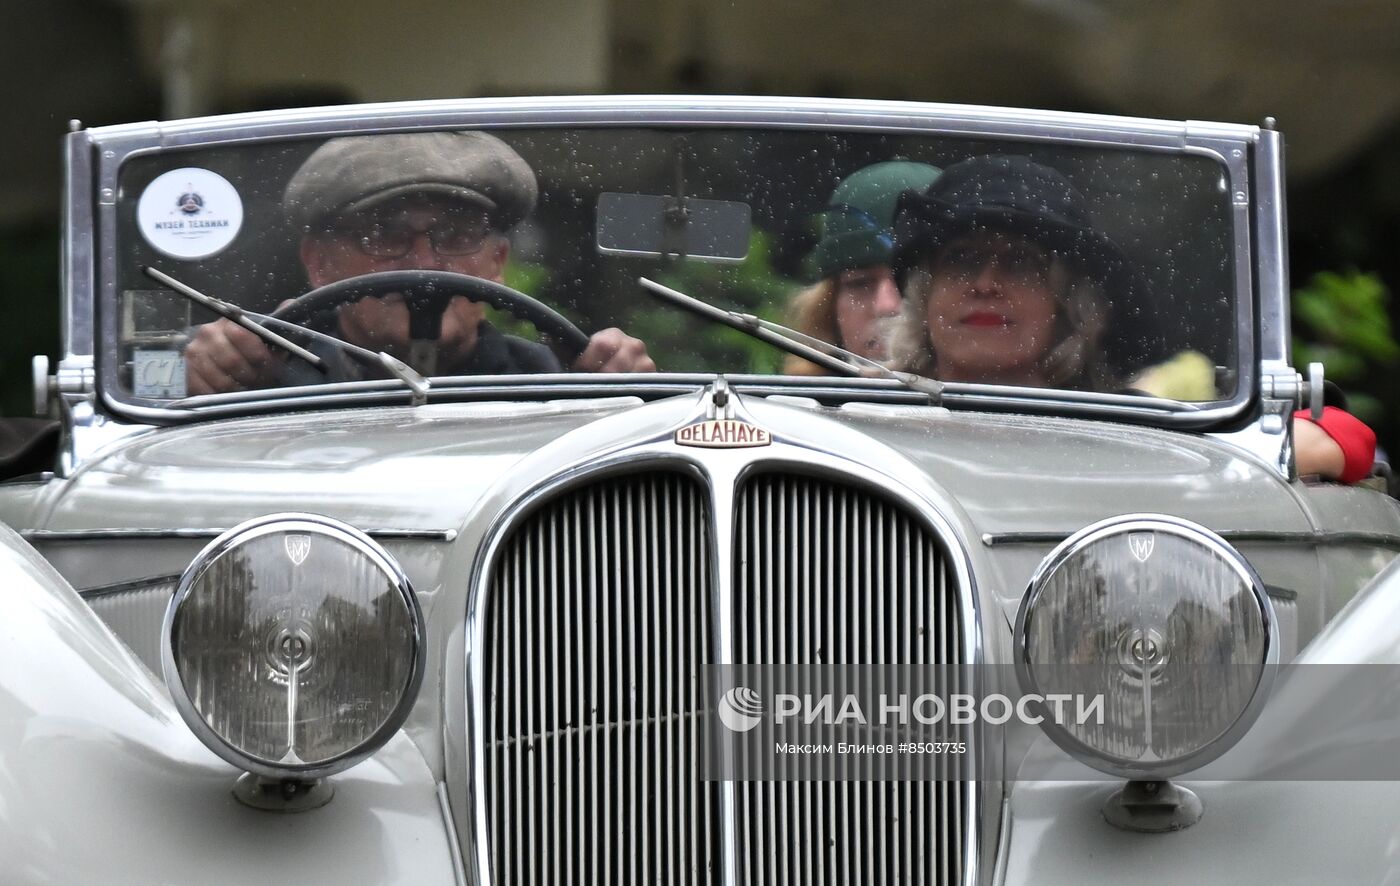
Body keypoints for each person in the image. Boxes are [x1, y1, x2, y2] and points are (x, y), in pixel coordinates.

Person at [886, 153, 1376, 482]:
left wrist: (1282, 450)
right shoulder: (869, 412)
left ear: (1069, 306)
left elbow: (1350, 440)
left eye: (1020, 264)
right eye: (961, 260)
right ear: (925, 298)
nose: (986, 283)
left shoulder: (1124, 424)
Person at [184, 131, 654, 395]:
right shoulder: (267, 379)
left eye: (456, 236)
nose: (425, 264)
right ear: (320, 264)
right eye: (385, 234)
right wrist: (214, 383)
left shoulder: (550, 382)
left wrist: (623, 399)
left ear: (496, 263)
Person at [783, 160, 941, 374]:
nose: (886, 306)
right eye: (860, 284)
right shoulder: (775, 407)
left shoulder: (999, 403)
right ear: (828, 309)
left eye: (909, 281)